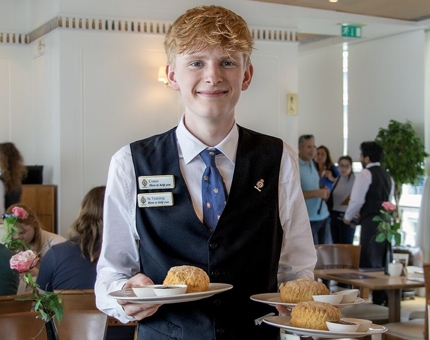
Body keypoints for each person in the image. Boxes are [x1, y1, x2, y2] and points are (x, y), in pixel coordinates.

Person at [95, 5, 316, 340]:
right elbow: (110, 275)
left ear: (246, 74)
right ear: (171, 76)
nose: (213, 76)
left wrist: (301, 303)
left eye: (227, 61)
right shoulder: (130, 163)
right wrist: (126, 293)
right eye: (196, 62)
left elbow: (297, 267)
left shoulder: (279, 158)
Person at [343, 141, 394, 305]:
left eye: (361, 154)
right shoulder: (387, 176)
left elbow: (357, 199)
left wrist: (347, 217)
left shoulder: (365, 174)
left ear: (366, 157)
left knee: (369, 258)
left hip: (371, 221)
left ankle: (372, 299)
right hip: (385, 222)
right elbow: (389, 200)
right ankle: (382, 297)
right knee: (382, 258)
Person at [5, 203, 66, 278]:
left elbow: (65, 278)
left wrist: (39, 274)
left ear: (34, 224)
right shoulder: (8, 246)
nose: (17, 237)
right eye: (13, 233)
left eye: (22, 232)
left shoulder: (58, 245)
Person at [298, 134, 330, 245]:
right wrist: (317, 193)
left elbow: (313, 186)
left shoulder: (313, 163)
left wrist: (322, 191)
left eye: (314, 146)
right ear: (300, 148)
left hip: (323, 215)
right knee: (312, 256)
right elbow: (294, 195)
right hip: (308, 219)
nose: (312, 150)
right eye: (309, 147)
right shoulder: (295, 165)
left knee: (325, 254)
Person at [328, 156, 356, 244]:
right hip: (334, 216)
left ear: (351, 167)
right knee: (336, 245)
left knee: (346, 245)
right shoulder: (337, 179)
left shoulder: (355, 181)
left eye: (346, 166)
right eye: (341, 165)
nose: (343, 168)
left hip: (347, 216)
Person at [0, 142, 27, 217]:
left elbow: (0, 213)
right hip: (12, 222)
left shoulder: (1, 181)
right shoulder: (15, 181)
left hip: (3, 224)